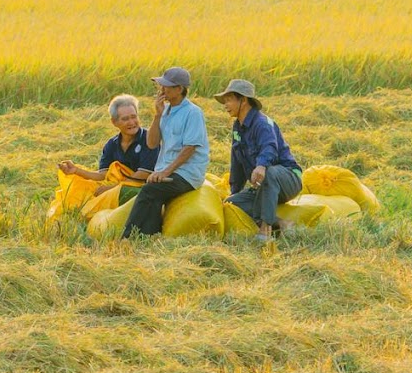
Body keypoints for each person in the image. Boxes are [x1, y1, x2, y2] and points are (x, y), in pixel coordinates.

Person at [122, 67, 209, 237]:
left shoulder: (193, 113)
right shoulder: (166, 111)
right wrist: (157, 115)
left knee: (150, 190)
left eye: (167, 86)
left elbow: (189, 149)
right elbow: (152, 143)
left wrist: (164, 172)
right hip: (167, 170)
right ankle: (150, 236)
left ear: (180, 89)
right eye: (161, 85)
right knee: (154, 194)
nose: (162, 90)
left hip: (187, 173)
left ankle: (127, 237)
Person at [215, 78, 302, 245]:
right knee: (232, 203)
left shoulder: (262, 124)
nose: (225, 105)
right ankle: (282, 223)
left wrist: (261, 165)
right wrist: (235, 191)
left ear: (244, 100)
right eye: (224, 101)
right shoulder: (237, 127)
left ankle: (265, 231)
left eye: (229, 100)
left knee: (270, 172)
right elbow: (237, 162)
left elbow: (270, 147)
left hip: (288, 179)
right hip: (266, 186)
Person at [58, 94, 158, 195]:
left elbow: (143, 175)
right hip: (119, 187)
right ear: (114, 122)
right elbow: (103, 175)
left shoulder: (150, 139)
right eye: (125, 119)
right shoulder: (112, 144)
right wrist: (76, 171)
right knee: (85, 190)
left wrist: (112, 188)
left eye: (134, 117)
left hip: (143, 188)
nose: (131, 122)